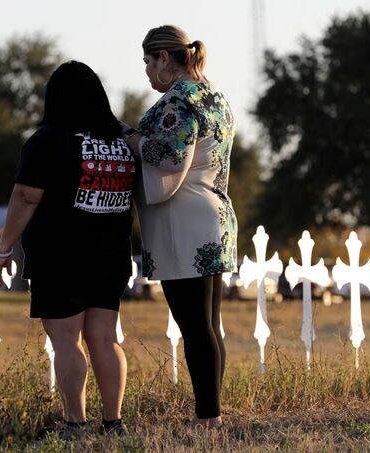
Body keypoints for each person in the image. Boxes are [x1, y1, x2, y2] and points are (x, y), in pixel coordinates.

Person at [0, 61, 134, 437]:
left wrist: (4, 246)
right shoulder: (121, 143)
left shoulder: (48, 139)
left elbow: (25, 196)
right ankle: (113, 422)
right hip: (111, 254)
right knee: (105, 338)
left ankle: (74, 422)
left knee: (66, 340)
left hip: (60, 256)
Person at [120, 25, 237, 428]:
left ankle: (208, 417)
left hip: (182, 222)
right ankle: (212, 411)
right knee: (208, 325)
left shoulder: (179, 100)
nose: (148, 73)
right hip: (213, 216)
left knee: (194, 326)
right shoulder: (214, 95)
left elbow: (169, 158)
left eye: (148, 63)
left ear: (165, 59)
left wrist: (132, 139)